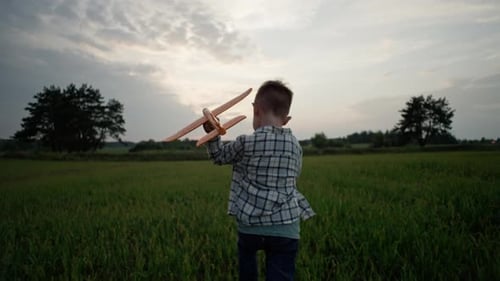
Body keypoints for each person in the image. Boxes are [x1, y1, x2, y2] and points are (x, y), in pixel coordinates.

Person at [203, 80, 315, 281]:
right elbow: (294, 176)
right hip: (286, 226)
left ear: (256, 111)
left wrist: (212, 135)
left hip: (250, 226)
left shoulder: (247, 142)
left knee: (247, 270)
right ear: (286, 119)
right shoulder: (296, 146)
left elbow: (219, 156)